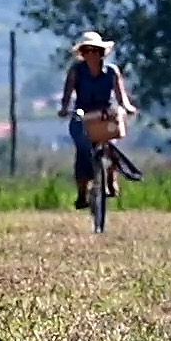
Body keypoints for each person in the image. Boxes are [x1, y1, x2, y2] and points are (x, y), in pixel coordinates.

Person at [58, 31, 138, 210]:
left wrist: (127, 107)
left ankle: (111, 176)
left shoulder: (111, 72)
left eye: (95, 50)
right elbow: (67, 94)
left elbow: (121, 96)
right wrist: (64, 108)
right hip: (83, 115)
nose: (91, 54)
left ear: (102, 53)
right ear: (82, 54)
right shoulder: (76, 71)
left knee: (111, 140)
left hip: (104, 114)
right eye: (87, 51)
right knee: (83, 147)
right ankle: (82, 192)